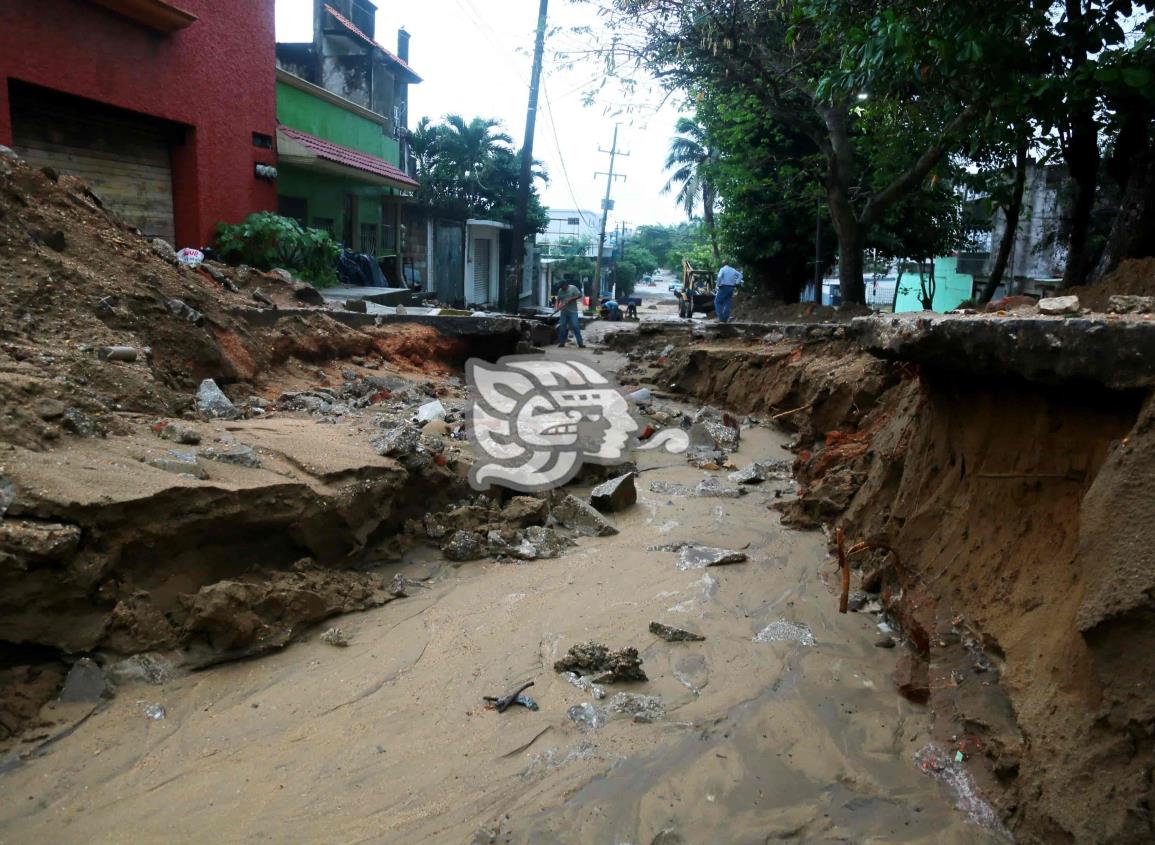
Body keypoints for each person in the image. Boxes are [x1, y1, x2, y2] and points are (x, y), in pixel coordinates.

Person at [555, 280, 585, 348]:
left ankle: (580, 343)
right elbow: (558, 299)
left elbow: (579, 295)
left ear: (566, 285)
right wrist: (557, 307)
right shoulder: (560, 290)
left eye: (562, 286)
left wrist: (571, 298)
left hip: (573, 311)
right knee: (562, 326)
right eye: (560, 287)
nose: (561, 288)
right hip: (564, 311)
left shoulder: (573, 288)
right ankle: (562, 342)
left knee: (575, 326)